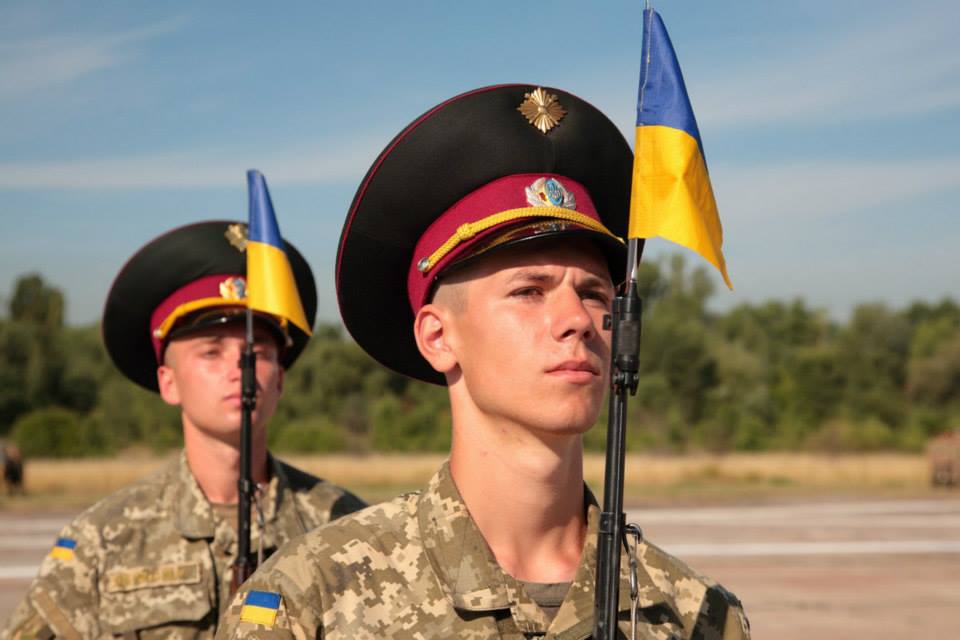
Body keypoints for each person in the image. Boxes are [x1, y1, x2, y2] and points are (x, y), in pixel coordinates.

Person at [218, 85, 749, 639]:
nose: (578, 319)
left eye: (594, 293)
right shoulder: (313, 599)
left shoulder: (694, 614)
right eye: (529, 291)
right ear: (438, 337)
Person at [2, 221, 365, 639]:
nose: (239, 370)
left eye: (257, 352)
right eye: (211, 352)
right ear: (168, 382)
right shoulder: (104, 539)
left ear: (279, 379)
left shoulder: (343, 524)